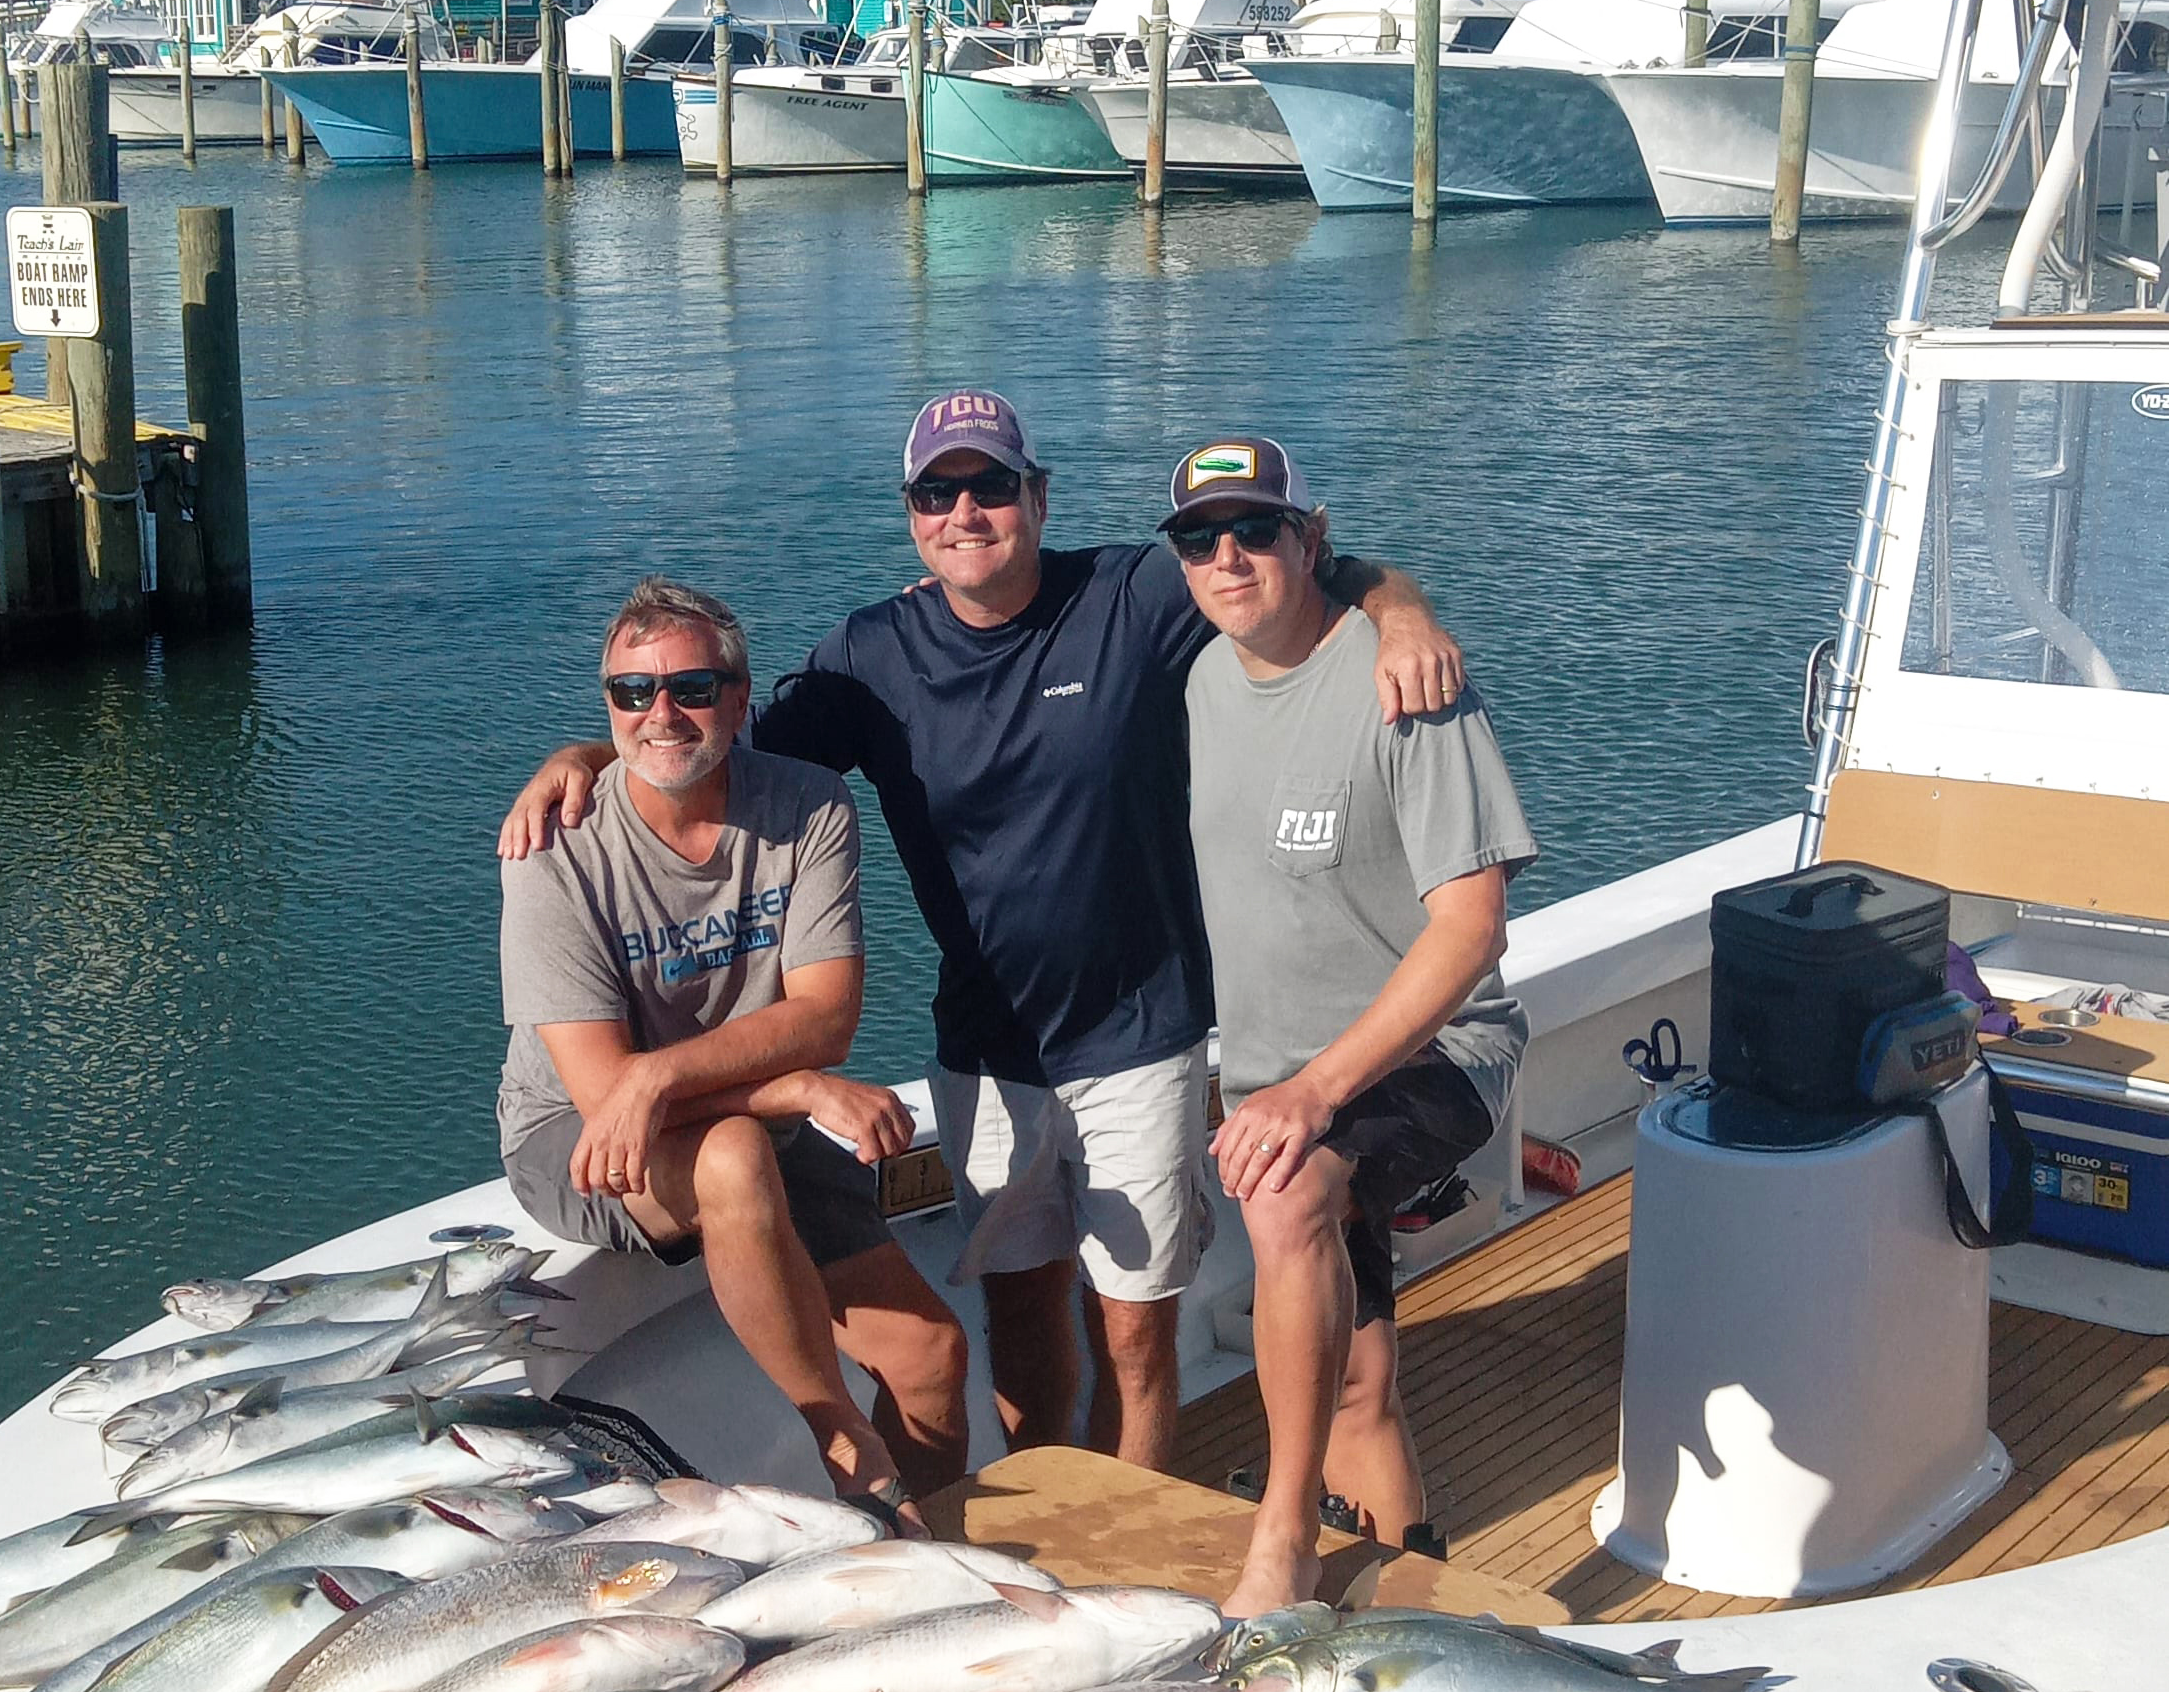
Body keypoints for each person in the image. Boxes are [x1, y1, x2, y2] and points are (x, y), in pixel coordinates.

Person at [500, 393, 1467, 1476]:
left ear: (1038, 497)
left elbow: (1320, 568)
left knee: (1140, 1334)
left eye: (992, 485)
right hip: (985, 1050)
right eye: (937, 491)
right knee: (1021, 1313)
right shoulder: (867, 655)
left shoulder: (1132, 592)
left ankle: (1132, 1538)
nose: (966, 510)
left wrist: (1409, 615)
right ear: (912, 515)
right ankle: (1051, 1530)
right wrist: (588, 753)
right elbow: (700, 741)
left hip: (1141, 1033)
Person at [498, 576, 969, 1521]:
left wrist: (676, 1073)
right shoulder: (557, 849)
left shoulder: (810, 807)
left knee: (933, 1357)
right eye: (632, 693)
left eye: (691, 689)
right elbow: (602, 1098)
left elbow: (826, 1015)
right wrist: (793, 1090)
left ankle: (935, 1571)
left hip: (718, 1111)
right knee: (736, 1153)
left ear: (741, 700)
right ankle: (838, 1437)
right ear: (607, 706)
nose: (660, 713)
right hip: (578, 1139)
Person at [1165, 435, 1536, 1618]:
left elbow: (1472, 930)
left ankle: (1284, 1538)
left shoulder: (1406, 681)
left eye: (1257, 530)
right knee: (1360, 1377)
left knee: (1285, 1197)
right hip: (1283, 1076)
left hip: (1435, 1056)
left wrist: (1313, 1094)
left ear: (1307, 540)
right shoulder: (1205, 677)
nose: (1228, 557)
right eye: (1199, 538)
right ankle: (1417, 1574)